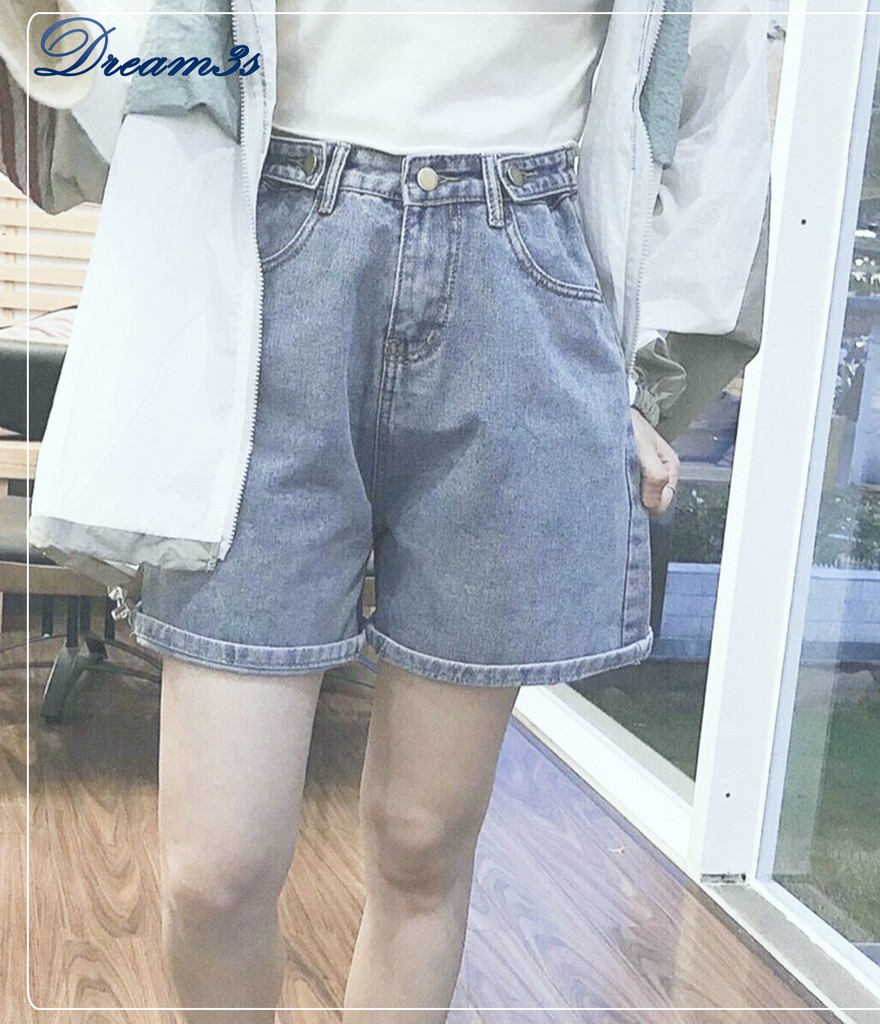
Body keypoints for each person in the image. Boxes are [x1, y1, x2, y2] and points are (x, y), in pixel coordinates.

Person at [2, 1, 771, 1020]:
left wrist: (645, 373)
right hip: (267, 249)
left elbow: (718, 92)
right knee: (214, 871)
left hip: (526, 278)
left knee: (422, 846)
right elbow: (94, 50)